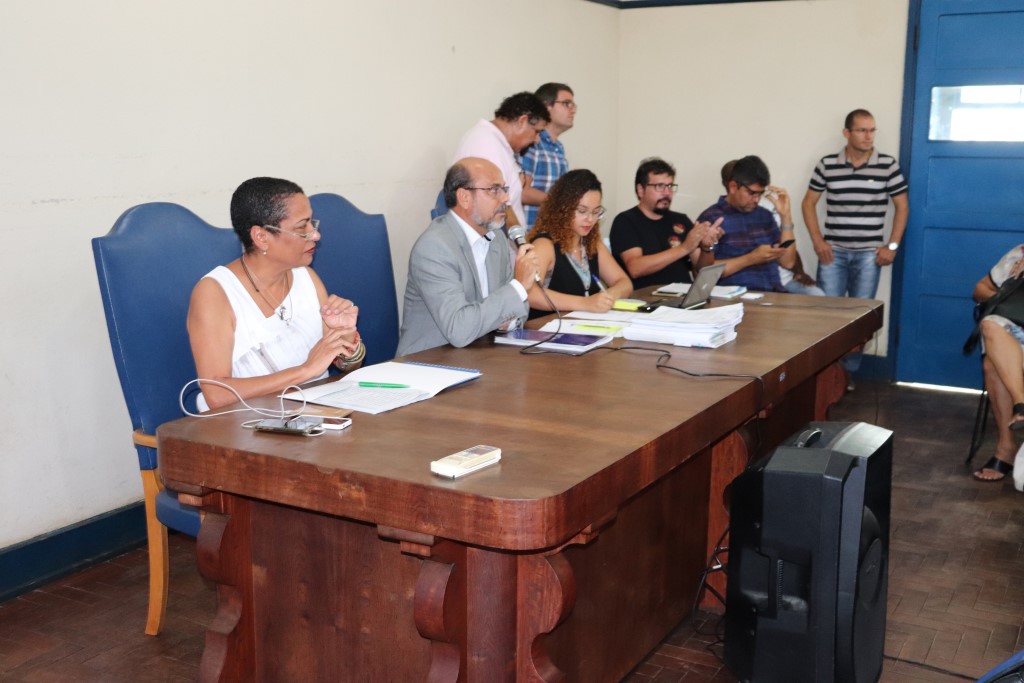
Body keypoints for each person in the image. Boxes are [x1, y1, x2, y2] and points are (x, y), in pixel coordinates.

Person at [187, 177, 362, 411]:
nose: (315, 235)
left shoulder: (307, 278)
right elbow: (217, 395)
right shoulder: (215, 293)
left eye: (312, 223)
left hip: (314, 417)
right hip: (245, 425)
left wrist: (345, 337)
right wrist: (305, 370)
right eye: (301, 227)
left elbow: (346, 366)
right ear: (261, 237)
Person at [801, 109, 909, 378]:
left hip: (869, 255)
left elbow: (902, 206)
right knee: (827, 315)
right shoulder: (828, 164)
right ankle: (826, 375)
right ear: (846, 133)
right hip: (832, 253)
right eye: (862, 130)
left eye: (872, 130)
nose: (868, 136)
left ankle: (848, 375)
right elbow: (808, 203)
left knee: (859, 318)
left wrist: (892, 246)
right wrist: (817, 241)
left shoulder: (887, 165)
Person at [397, 158, 540, 357]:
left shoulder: (497, 238)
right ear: (464, 197)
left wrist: (505, 318)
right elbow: (459, 329)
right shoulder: (435, 247)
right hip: (428, 361)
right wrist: (519, 286)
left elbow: (519, 309)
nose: (505, 199)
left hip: (479, 354)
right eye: (494, 190)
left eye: (504, 189)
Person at [525, 170, 632, 319]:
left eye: (596, 212)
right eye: (582, 211)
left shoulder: (592, 244)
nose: (590, 219)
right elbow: (531, 294)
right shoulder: (544, 245)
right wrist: (585, 303)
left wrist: (608, 296)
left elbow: (625, 283)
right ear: (563, 209)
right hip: (545, 328)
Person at [609, 157, 723, 290]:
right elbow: (635, 268)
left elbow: (703, 270)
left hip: (683, 296)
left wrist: (706, 248)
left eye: (670, 186)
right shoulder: (625, 221)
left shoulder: (681, 220)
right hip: (645, 298)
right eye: (660, 186)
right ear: (641, 190)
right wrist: (684, 248)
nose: (667, 193)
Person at [719, 159, 824, 296]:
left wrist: (799, 271)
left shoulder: (766, 211)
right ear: (731, 185)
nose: (755, 198)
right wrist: (752, 258)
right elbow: (708, 270)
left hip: (780, 281)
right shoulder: (716, 218)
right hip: (744, 287)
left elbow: (785, 250)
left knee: (817, 295)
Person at [696, 155, 796, 291]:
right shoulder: (711, 218)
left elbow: (788, 263)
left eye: (760, 193)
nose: (756, 199)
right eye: (751, 193)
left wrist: (786, 216)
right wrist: (751, 258)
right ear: (733, 187)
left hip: (774, 294)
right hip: (734, 297)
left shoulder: (765, 215)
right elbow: (704, 274)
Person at [452, 92, 550, 228]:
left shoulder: (496, 143)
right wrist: (521, 240)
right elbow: (499, 207)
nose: (537, 140)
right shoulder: (486, 144)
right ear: (522, 121)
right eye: (537, 131)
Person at [971, 245, 1024, 481]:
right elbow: (980, 289)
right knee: (991, 328)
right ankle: (1007, 444)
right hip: (1014, 340)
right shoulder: (1020, 254)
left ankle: (1020, 410)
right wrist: (1007, 297)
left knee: (994, 363)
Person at [521, 82, 574, 228]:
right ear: (546, 106)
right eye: (566, 103)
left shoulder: (559, 147)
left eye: (573, 105)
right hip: (529, 233)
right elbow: (522, 192)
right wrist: (561, 201)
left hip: (550, 232)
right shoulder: (532, 141)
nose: (573, 110)